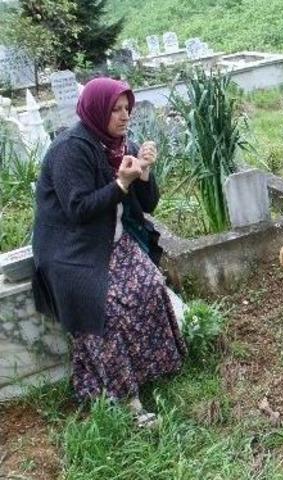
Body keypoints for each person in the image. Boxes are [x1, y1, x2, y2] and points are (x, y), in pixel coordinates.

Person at [31, 77, 186, 426]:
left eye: (127, 109)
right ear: (97, 110)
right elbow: (79, 209)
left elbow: (148, 205)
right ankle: (125, 400)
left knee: (149, 284)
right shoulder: (70, 149)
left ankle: (150, 368)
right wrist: (120, 183)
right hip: (71, 250)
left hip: (110, 238)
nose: (124, 116)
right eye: (115, 110)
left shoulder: (120, 144)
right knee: (105, 308)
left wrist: (144, 174)